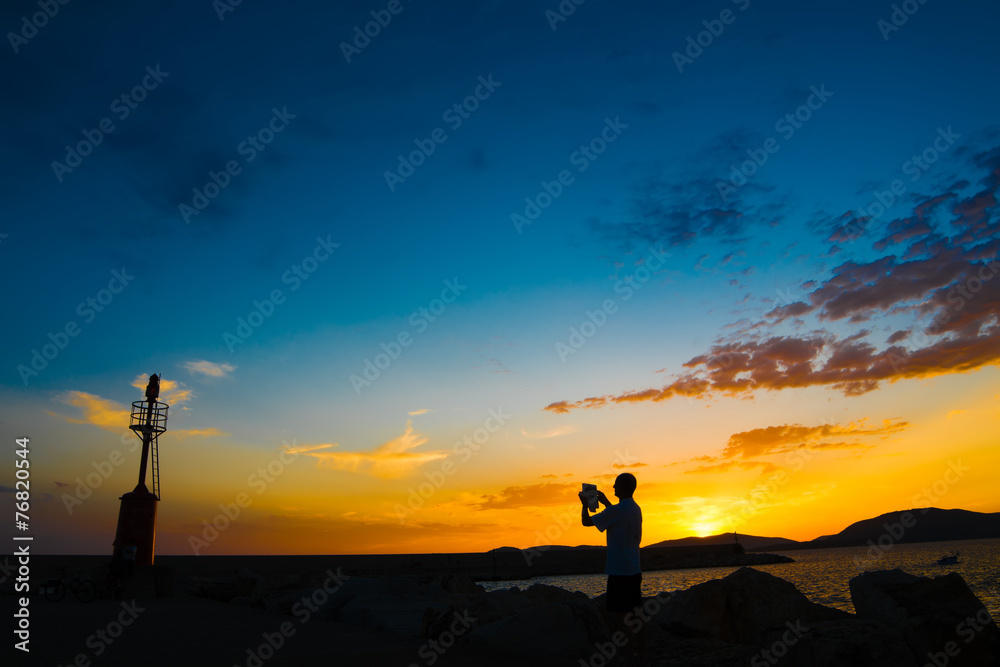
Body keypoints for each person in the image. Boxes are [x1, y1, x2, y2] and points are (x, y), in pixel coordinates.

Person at [580, 473, 644, 663]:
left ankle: (628, 659)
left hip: (619, 572)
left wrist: (584, 504)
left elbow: (586, 522)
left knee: (622, 618)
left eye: (616, 485)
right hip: (634, 570)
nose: (613, 488)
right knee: (637, 615)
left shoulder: (618, 511)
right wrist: (608, 503)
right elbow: (615, 516)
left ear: (623, 487)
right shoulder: (634, 508)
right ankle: (642, 657)